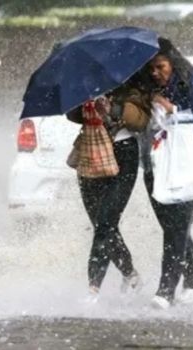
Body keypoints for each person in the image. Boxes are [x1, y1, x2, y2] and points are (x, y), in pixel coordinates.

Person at [67, 73, 152, 302]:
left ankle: (93, 288)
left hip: (124, 154)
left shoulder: (133, 81)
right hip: (91, 151)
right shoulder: (83, 81)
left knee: (106, 221)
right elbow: (71, 115)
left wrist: (112, 108)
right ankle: (130, 273)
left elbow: (141, 120)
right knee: (101, 224)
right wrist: (82, 100)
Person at [142, 38, 193, 309]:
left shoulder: (191, 79)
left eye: (160, 67)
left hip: (191, 158)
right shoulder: (146, 88)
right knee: (171, 225)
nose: (156, 73)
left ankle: (165, 290)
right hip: (156, 160)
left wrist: (171, 109)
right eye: (151, 69)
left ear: (173, 63)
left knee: (178, 224)